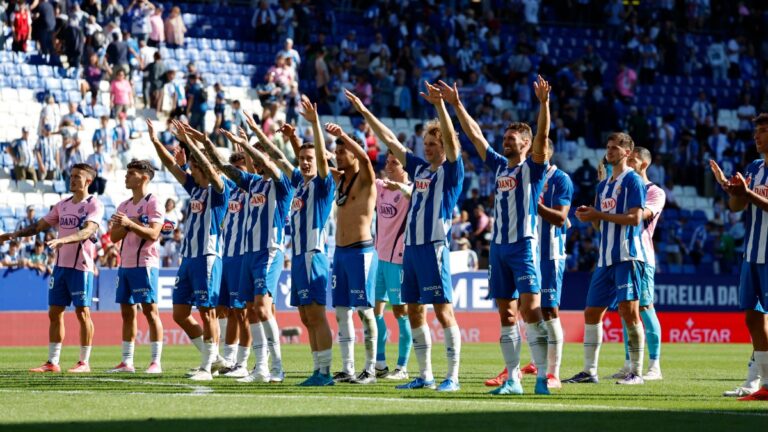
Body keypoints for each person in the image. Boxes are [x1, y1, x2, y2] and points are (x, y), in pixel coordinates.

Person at [346, 82, 463, 392]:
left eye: (432, 144)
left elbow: (452, 139)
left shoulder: (451, 171)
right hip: (410, 250)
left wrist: (440, 106)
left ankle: (451, 376)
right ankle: (424, 376)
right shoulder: (420, 170)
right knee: (413, 310)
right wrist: (365, 111)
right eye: (425, 143)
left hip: (434, 247)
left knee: (442, 310)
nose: (428, 148)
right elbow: (389, 140)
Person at [439, 76, 552, 395]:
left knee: (531, 311)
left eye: (512, 137)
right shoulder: (501, 167)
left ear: (525, 144)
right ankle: (514, 380)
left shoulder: (533, 169)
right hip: (499, 249)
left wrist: (544, 104)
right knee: (506, 313)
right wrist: (457, 105)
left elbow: (543, 134)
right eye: (505, 137)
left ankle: (543, 376)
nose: (505, 141)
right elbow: (476, 139)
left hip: (524, 247)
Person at [0, 164, 104, 373]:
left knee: (82, 312)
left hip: (81, 267)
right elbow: (37, 227)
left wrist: (62, 240)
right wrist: (14, 235)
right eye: (71, 176)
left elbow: (88, 232)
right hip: (60, 267)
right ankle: (52, 362)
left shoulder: (94, 204)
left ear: (88, 181)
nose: (72, 179)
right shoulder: (62, 204)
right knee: (55, 312)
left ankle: (84, 362)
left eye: (77, 177)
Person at [147, 119, 230, 381]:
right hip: (189, 259)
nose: (190, 171)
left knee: (208, 312)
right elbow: (172, 166)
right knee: (180, 313)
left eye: (194, 167)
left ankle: (207, 367)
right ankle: (214, 358)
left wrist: (190, 142)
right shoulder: (194, 188)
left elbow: (208, 168)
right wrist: (155, 141)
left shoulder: (219, 190)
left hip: (207, 256)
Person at [564, 132, 647, 385]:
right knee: (591, 313)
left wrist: (599, 213)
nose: (609, 151)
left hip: (627, 256)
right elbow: (601, 227)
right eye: (608, 147)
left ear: (627, 153)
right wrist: (591, 217)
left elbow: (635, 218)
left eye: (614, 148)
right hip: (605, 259)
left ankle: (636, 372)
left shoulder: (633, 181)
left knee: (629, 312)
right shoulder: (603, 186)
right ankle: (590, 371)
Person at [214, 121, 293, 383]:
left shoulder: (282, 183)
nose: (257, 162)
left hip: (269, 250)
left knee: (261, 308)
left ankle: (278, 367)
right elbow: (226, 169)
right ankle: (259, 368)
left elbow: (270, 165)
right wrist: (204, 144)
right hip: (248, 252)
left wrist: (247, 144)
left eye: (261, 156)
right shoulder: (253, 184)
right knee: (250, 309)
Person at [270, 96, 336, 386]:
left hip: (314, 254)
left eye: (310, 160)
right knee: (306, 317)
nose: (306, 163)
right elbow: (303, 161)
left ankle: (326, 372)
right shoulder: (301, 184)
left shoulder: (323, 185)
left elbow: (317, 159)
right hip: (297, 257)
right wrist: (295, 139)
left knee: (316, 314)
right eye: (302, 160)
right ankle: (317, 369)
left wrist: (314, 125)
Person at [709, 113, 768, 401]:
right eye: (756, 131)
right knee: (753, 317)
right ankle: (763, 384)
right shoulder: (754, 168)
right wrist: (732, 191)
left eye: (763, 131)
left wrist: (748, 194)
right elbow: (735, 207)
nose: (757, 136)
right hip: (752, 253)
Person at [321, 121, 379, 385]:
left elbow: (366, 158)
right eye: (337, 151)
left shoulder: (366, 177)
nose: (338, 155)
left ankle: (369, 370)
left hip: (361, 253)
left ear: (354, 153)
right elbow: (317, 164)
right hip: (341, 254)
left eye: (342, 151)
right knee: (342, 312)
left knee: (366, 312)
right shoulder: (340, 178)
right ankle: (348, 368)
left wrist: (344, 134)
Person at [611, 146, 666, 381]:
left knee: (644, 307)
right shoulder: (620, 188)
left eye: (632, 160)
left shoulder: (655, 192)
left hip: (642, 256)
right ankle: (629, 363)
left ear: (643, 164)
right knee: (627, 309)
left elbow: (641, 216)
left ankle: (654, 366)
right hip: (620, 253)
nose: (628, 162)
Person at [106, 159, 165, 374]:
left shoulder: (153, 202)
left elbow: (154, 233)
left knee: (150, 312)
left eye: (132, 173)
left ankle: (155, 362)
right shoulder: (124, 205)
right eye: (127, 172)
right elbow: (114, 236)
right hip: (126, 265)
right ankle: (126, 362)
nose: (126, 176)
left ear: (144, 177)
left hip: (145, 264)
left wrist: (129, 224)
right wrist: (129, 225)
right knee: (127, 313)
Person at [372, 152, 412, 380]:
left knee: (400, 312)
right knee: (374, 311)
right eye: (386, 162)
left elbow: (411, 192)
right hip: (378, 257)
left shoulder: (410, 190)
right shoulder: (380, 186)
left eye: (394, 162)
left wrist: (401, 187)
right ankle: (379, 363)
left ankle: (402, 367)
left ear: (404, 166)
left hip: (398, 259)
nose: (388, 166)